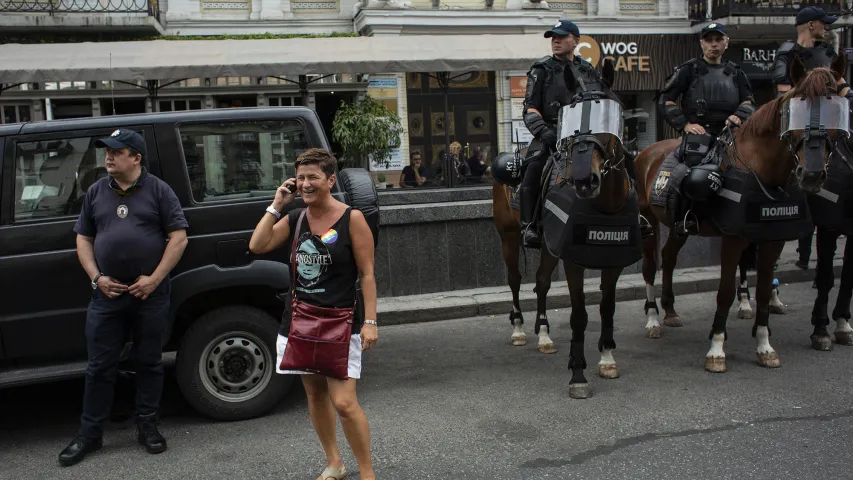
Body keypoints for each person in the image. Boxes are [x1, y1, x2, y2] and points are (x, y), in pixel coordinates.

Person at [60, 129, 189, 467]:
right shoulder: (95, 192)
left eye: (117, 152)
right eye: (107, 152)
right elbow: (83, 239)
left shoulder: (159, 190)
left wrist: (155, 278)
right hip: (107, 295)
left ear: (136, 157)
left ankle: (148, 427)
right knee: (99, 366)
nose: (109, 157)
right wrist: (97, 277)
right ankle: (90, 435)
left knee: (148, 362)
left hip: (151, 292)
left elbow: (178, 238)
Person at [248, 148, 378, 480]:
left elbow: (367, 275)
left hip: (340, 321)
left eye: (313, 178)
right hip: (301, 320)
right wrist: (278, 205)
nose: (305, 184)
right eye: (300, 178)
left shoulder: (353, 219)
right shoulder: (296, 218)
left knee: (345, 403)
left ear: (330, 180)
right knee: (314, 394)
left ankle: (367, 472)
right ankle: (334, 462)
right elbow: (258, 245)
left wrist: (371, 322)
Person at [519, 20, 615, 248]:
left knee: (622, 159)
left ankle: (634, 213)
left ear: (576, 41)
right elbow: (530, 108)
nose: (556, 40)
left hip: (584, 134)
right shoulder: (540, 70)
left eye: (561, 36)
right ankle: (529, 225)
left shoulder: (587, 69)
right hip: (550, 133)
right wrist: (544, 132)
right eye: (553, 37)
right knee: (533, 165)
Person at [772, 7, 852, 271]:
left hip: (828, 125)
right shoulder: (787, 53)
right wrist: (815, 89)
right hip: (799, 127)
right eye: (823, 24)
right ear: (810, 25)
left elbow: (842, 88)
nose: (826, 28)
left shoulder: (828, 53)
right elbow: (783, 92)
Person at [656, 22, 756, 235]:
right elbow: (666, 101)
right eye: (709, 40)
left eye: (718, 40)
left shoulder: (736, 72)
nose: (713, 45)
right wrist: (685, 125)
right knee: (692, 168)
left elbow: (749, 101)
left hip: (731, 132)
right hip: (700, 133)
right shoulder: (688, 70)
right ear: (701, 43)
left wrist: (738, 115)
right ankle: (687, 216)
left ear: (726, 43)